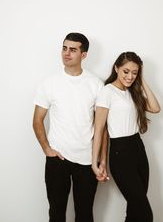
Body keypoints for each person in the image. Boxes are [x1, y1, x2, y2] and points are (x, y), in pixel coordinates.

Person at [33, 32, 107, 222]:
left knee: (84, 214)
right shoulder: (49, 83)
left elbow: (102, 127)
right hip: (58, 158)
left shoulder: (96, 84)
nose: (66, 53)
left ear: (84, 55)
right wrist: (47, 149)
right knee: (56, 213)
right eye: (64, 48)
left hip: (87, 159)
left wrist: (101, 160)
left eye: (73, 50)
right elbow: (37, 120)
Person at [92, 51, 161, 222]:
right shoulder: (107, 92)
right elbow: (99, 129)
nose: (130, 76)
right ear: (116, 68)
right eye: (126, 71)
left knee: (136, 211)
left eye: (134, 72)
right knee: (145, 214)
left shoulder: (133, 92)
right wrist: (96, 163)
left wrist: (142, 79)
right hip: (120, 153)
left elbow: (155, 107)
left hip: (138, 148)